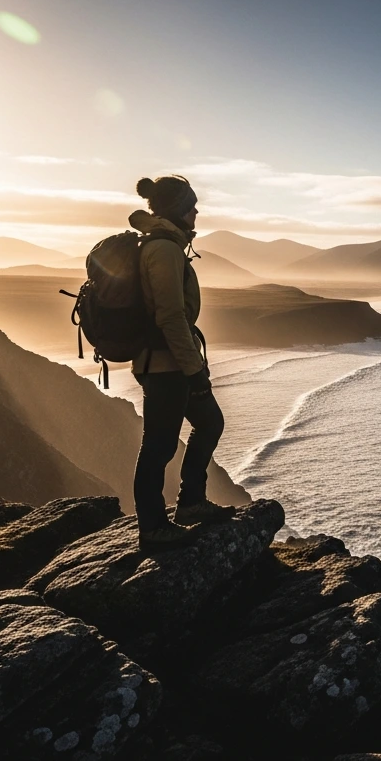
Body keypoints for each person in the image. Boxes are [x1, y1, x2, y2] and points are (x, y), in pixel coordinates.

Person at [129, 174, 235, 550]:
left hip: (168, 360)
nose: (196, 211)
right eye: (191, 205)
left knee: (209, 423)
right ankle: (154, 528)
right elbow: (171, 317)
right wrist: (195, 371)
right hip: (165, 365)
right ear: (177, 210)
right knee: (159, 446)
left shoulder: (167, 245)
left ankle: (190, 504)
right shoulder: (164, 249)